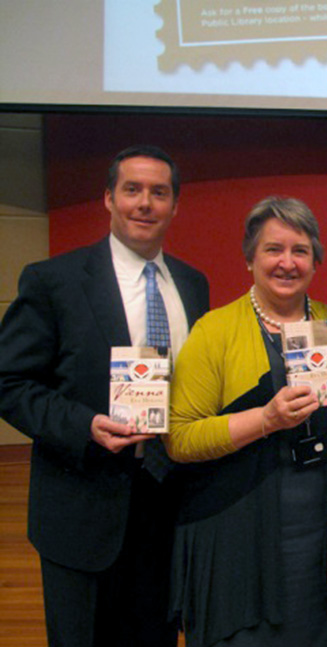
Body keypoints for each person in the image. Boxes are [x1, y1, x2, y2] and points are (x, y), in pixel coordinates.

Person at [0, 145, 209, 647]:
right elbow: (9, 382)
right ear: (109, 199)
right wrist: (83, 425)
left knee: (155, 636)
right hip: (83, 503)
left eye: (158, 193)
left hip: (168, 505)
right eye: (132, 190)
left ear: (175, 205)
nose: (145, 203)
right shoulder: (55, 280)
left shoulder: (193, 284)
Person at [166, 196, 327, 647]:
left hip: (314, 534)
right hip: (233, 529)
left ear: (316, 260)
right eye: (273, 249)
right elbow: (181, 438)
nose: (287, 262)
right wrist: (266, 419)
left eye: (300, 250)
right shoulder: (214, 330)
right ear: (250, 258)